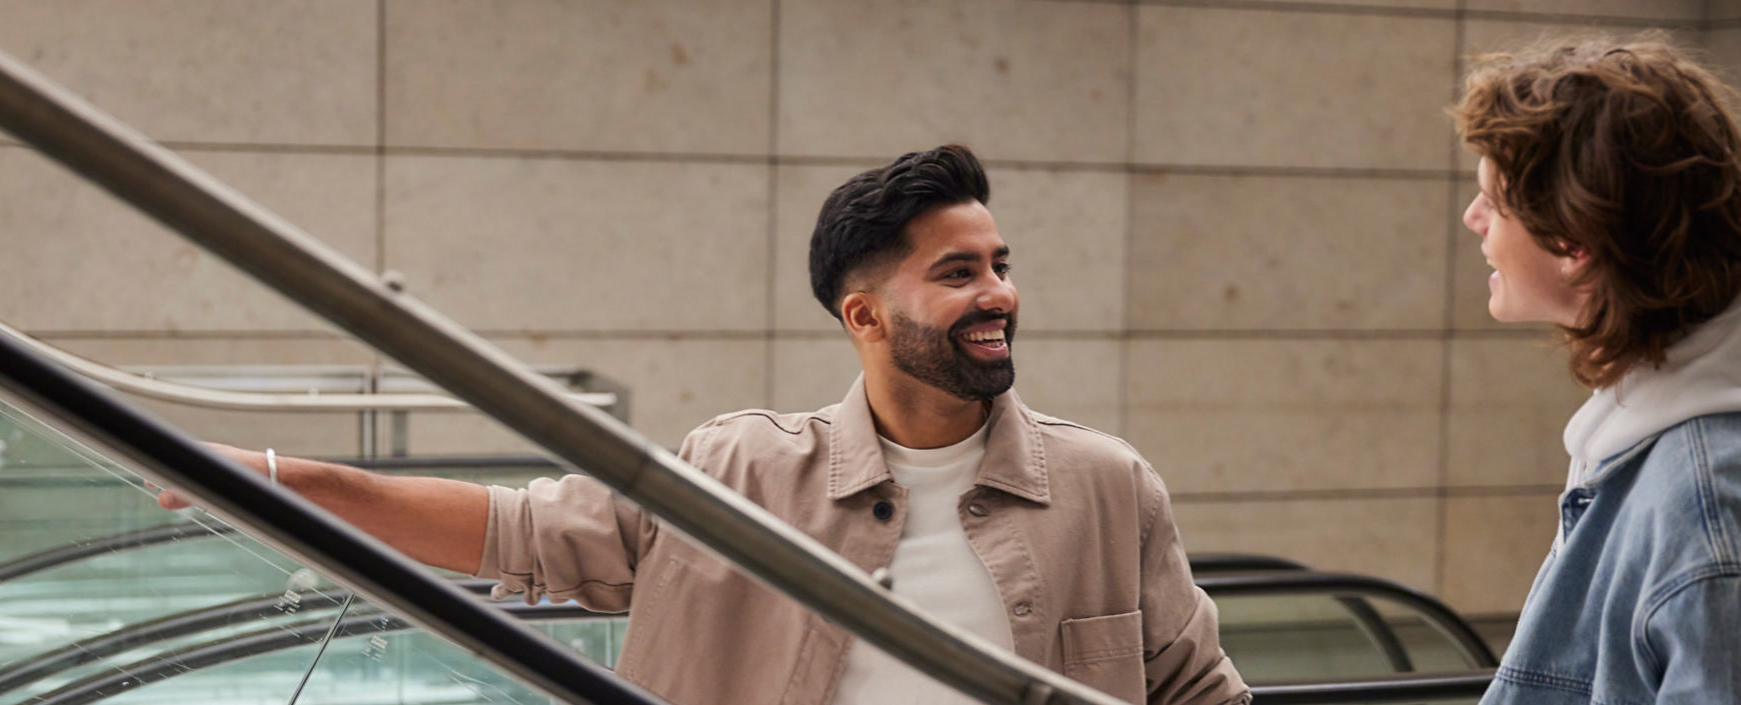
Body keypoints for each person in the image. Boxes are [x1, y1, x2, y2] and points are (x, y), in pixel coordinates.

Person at [159, 145, 1248, 705]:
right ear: (863, 315)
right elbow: (518, 531)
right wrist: (273, 475)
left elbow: (1199, 691)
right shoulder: (739, 469)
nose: (997, 293)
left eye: (1001, 266)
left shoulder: (1107, 485)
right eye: (958, 273)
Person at [1452, 36, 1741, 704]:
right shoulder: (1643, 438)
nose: (1472, 220)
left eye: (1493, 205)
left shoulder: (1704, 505)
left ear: (1573, 243)